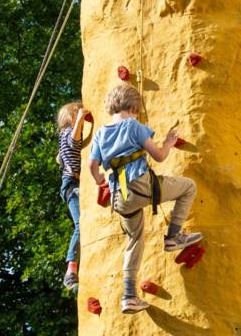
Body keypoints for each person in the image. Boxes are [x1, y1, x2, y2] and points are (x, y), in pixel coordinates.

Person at [88, 84, 203, 314]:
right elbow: (159, 156)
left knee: (134, 240)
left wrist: (100, 178)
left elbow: (92, 165)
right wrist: (169, 142)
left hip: (120, 199)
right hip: (141, 187)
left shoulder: (101, 133)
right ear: (133, 107)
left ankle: (129, 296)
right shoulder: (133, 125)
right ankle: (173, 237)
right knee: (188, 187)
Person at [56, 100, 92, 291]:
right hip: (72, 184)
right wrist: (80, 118)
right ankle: (71, 269)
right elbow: (74, 139)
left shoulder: (63, 135)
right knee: (81, 225)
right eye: (78, 114)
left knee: (82, 224)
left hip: (72, 184)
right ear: (72, 117)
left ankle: (74, 267)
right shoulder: (68, 133)